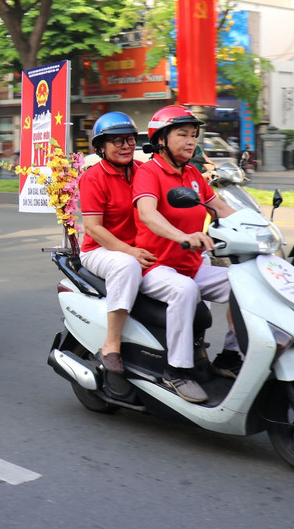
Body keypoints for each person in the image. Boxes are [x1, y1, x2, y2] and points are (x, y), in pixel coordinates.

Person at [133, 106, 240, 403]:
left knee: (243, 284)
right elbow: (147, 214)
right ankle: (176, 371)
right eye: (182, 134)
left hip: (192, 263)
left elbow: (222, 208)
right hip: (156, 266)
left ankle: (230, 356)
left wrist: (257, 229)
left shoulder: (193, 173)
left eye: (194, 135)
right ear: (162, 139)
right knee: (185, 290)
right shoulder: (148, 172)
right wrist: (183, 236)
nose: (191, 141)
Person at [78, 112, 156, 374]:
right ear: (101, 147)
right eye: (117, 140)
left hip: (138, 247)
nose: (126, 146)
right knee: (127, 266)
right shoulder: (93, 178)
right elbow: (93, 228)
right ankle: (111, 345)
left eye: (130, 139)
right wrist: (130, 251)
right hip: (99, 249)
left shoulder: (143, 172)